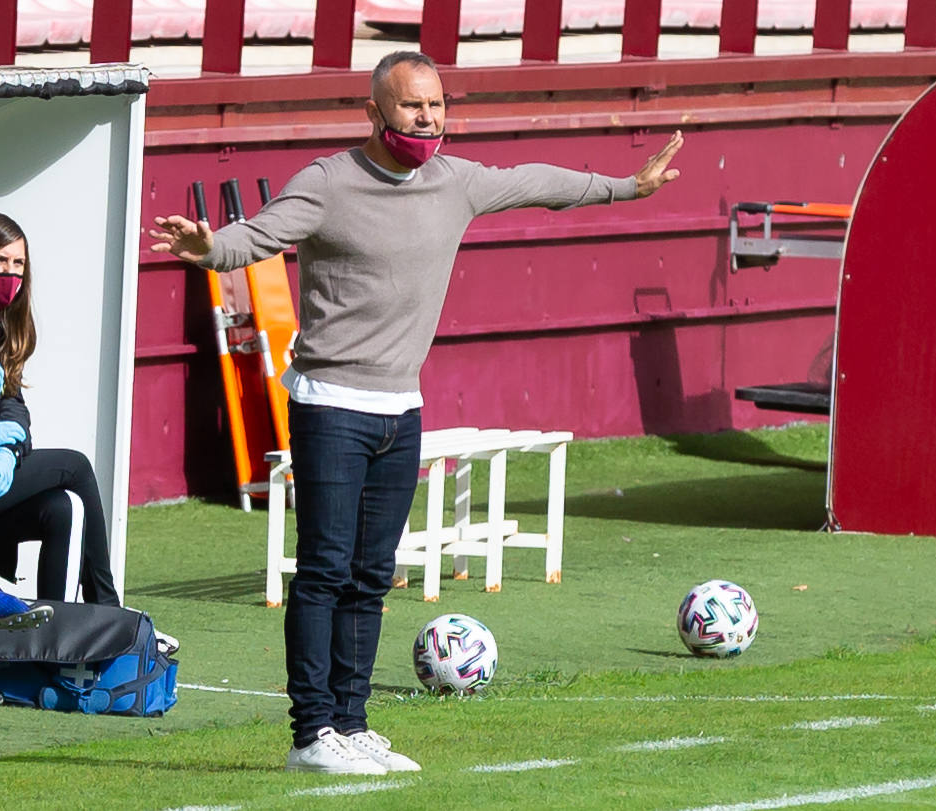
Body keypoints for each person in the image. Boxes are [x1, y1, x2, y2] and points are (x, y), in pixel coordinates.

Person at [150, 50, 683, 775]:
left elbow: (538, 183)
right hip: (331, 402)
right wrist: (209, 247)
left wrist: (627, 186)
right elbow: (257, 236)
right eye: (410, 106)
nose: (426, 118)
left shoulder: (453, 182)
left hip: (401, 405)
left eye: (435, 104)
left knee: (373, 573)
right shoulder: (328, 182)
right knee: (325, 569)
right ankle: (311, 735)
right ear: (374, 112)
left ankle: (352, 722)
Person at [0, 213, 126, 704]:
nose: (10, 273)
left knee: (64, 504)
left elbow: (12, 400)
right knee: (76, 466)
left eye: (19, 263)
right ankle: (105, 608)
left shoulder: (0, 322)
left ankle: (53, 647)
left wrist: (10, 438)